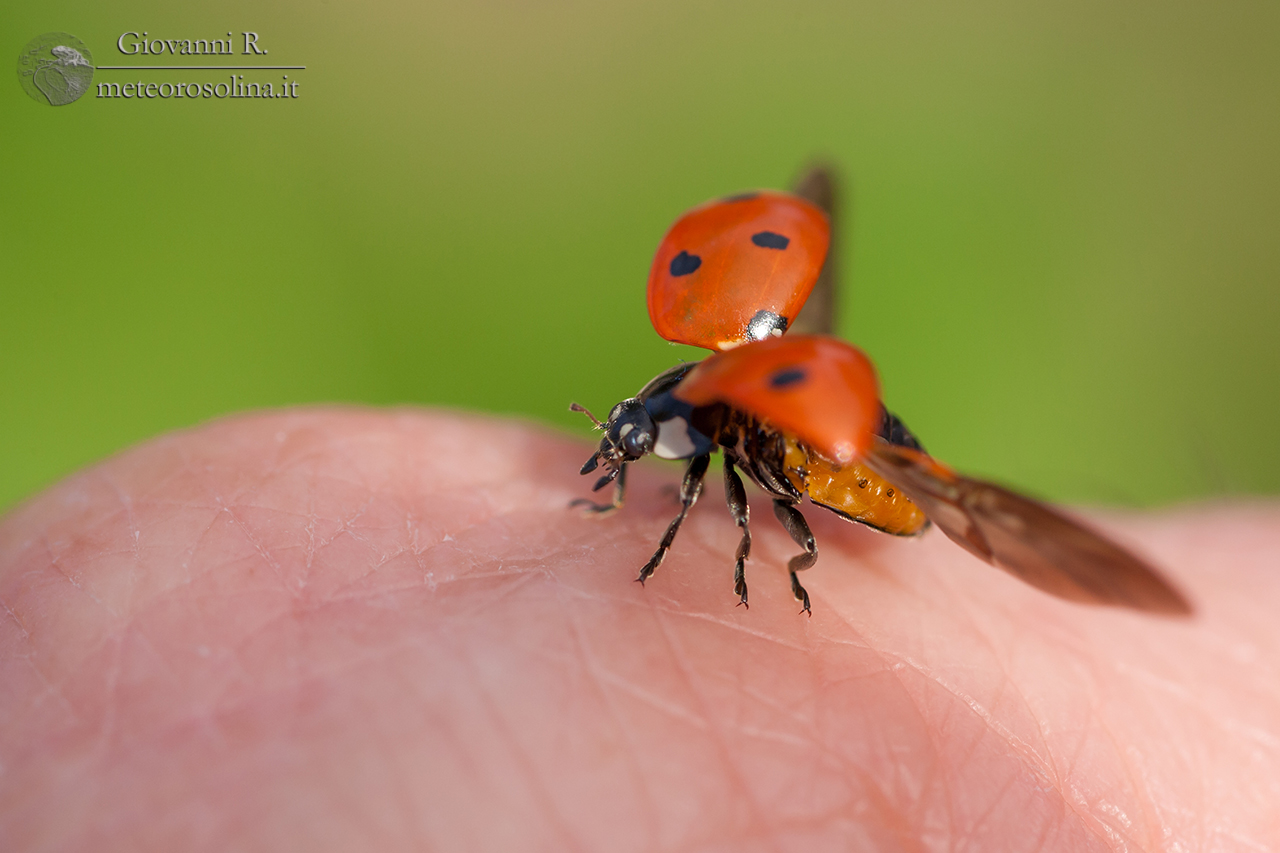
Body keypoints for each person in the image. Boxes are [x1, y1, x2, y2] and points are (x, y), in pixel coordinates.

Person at [1, 408, 1276, 850]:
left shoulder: (736, 437)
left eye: (642, 442)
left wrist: (706, 542)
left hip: (851, 465)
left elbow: (732, 478)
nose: (640, 457)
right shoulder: (710, 415)